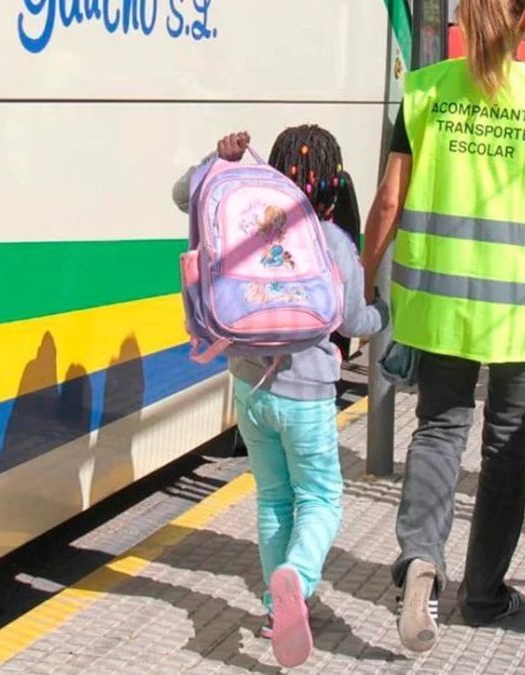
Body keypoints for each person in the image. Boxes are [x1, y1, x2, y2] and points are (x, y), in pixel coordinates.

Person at [360, 0, 525, 652]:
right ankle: (483, 592)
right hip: (523, 313)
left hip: (437, 305)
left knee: (439, 431)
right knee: (507, 448)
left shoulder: (425, 92)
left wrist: (362, 277)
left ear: (462, 18)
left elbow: (389, 199)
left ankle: (420, 560)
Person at [172, 126, 389, 667]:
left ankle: (276, 608)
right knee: (319, 497)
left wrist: (216, 157)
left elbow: (185, 195)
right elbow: (353, 319)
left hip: (248, 386)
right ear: (334, 184)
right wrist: (386, 311)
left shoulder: (247, 220)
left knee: (272, 498)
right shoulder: (332, 241)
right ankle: (299, 576)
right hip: (308, 394)